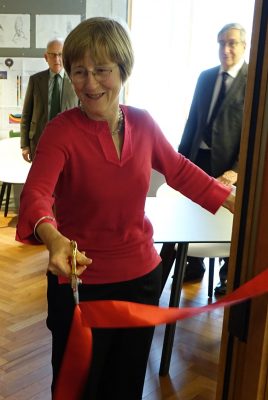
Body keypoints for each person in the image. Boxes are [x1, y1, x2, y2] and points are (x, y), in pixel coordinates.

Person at [16, 17, 235, 400]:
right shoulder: (61, 131)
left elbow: (180, 170)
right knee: (77, 387)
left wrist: (236, 203)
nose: (90, 83)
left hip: (141, 279)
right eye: (79, 72)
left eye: (102, 70)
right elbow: (36, 195)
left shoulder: (144, 123)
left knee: (126, 384)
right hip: (80, 283)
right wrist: (53, 238)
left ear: (122, 69)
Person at [178, 22, 248, 294]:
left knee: (228, 220)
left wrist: (238, 170)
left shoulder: (253, 79)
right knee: (194, 214)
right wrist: (180, 160)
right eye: (221, 43)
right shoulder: (206, 77)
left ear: (244, 46)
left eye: (231, 43)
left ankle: (227, 276)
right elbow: (193, 120)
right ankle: (193, 266)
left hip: (229, 166)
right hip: (199, 160)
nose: (225, 49)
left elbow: (253, 133)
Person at [20, 38, 78, 162]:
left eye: (60, 54)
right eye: (52, 55)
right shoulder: (35, 80)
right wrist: (25, 145)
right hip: (39, 141)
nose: (57, 59)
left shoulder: (76, 81)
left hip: (69, 143)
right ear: (46, 57)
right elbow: (26, 115)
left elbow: (83, 115)